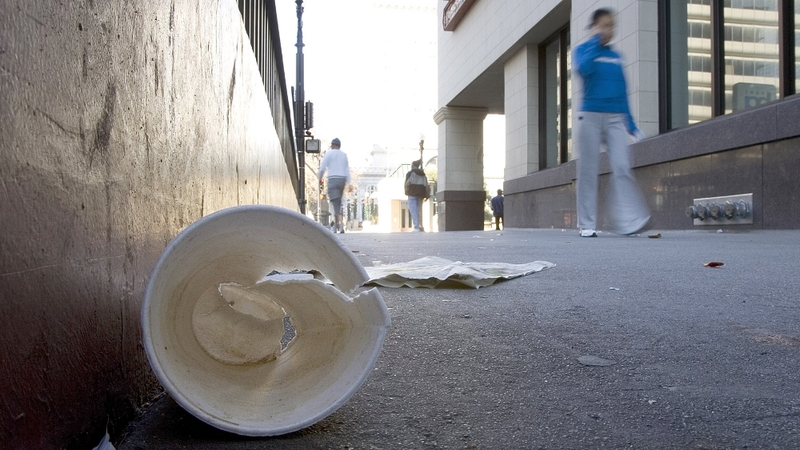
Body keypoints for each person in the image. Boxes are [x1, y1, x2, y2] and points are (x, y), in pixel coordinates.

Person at [573, 8, 651, 238]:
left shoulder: (617, 57)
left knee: (622, 167)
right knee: (588, 171)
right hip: (590, 116)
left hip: (616, 118)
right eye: (605, 25)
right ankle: (586, 224)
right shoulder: (582, 50)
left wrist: (632, 125)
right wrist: (595, 41)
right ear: (594, 27)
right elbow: (584, 69)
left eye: (612, 26)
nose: (609, 30)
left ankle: (628, 221)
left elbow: (622, 92)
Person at [318, 137, 350, 233]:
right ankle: (337, 226)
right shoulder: (344, 155)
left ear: (332, 145)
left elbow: (322, 167)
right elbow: (347, 169)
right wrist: (348, 182)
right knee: (338, 203)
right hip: (342, 180)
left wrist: (319, 177)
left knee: (335, 203)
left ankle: (339, 226)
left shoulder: (329, 153)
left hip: (333, 179)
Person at [404, 160, 429, 232]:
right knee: (418, 210)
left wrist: (406, 191)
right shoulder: (423, 174)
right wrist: (427, 195)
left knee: (413, 210)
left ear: (413, 165)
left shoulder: (410, 173)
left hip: (412, 193)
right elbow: (426, 185)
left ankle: (416, 226)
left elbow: (407, 183)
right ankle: (419, 225)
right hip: (421, 194)